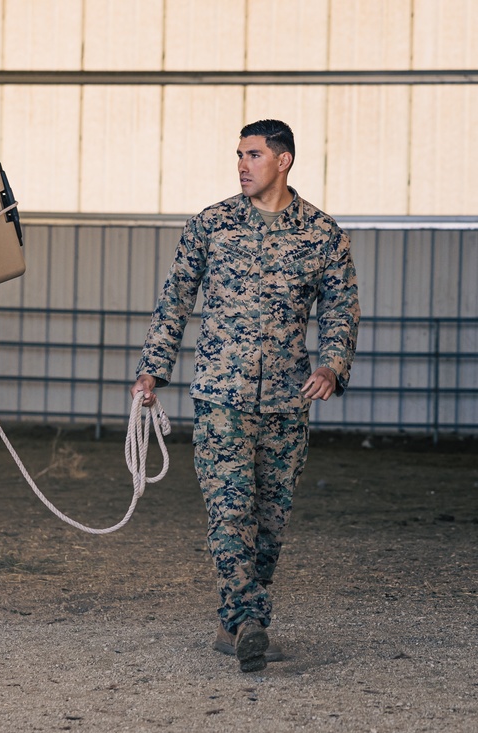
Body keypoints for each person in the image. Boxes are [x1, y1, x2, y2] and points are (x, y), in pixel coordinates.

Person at [130, 119, 360, 673]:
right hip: (221, 397)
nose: (241, 164)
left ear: (282, 161)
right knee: (230, 512)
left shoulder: (323, 235)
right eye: (238, 154)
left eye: (253, 155)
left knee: (270, 520)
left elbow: (340, 310)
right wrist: (151, 371)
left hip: (287, 400)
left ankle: (230, 624)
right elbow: (175, 299)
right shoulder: (211, 225)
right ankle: (251, 625)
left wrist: (332, 365)